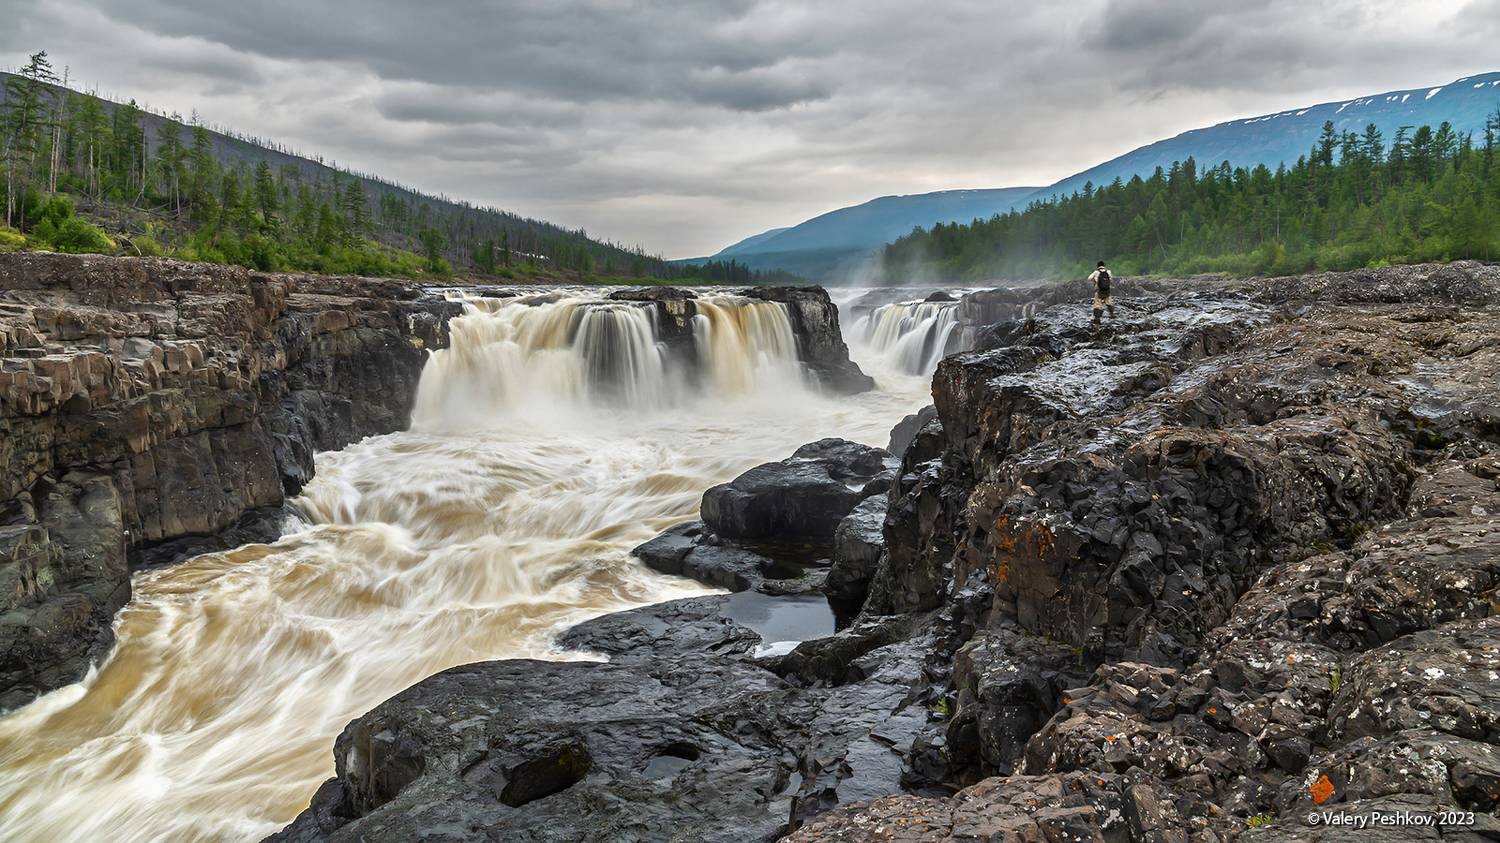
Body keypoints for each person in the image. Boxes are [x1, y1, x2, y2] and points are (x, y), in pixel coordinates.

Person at [1089, 261, 1115, 326]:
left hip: (1099, 290)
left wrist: (1095, 280)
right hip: (1107, 290)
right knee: (1109, 302)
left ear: (1098, 266)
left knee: (1097, 304)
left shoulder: (1096, 272)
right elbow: (1111, 279)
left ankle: (1097, 319)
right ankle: (1112, 314)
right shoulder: (1108, 271)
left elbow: (1089, 278)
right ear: (1104, 266)